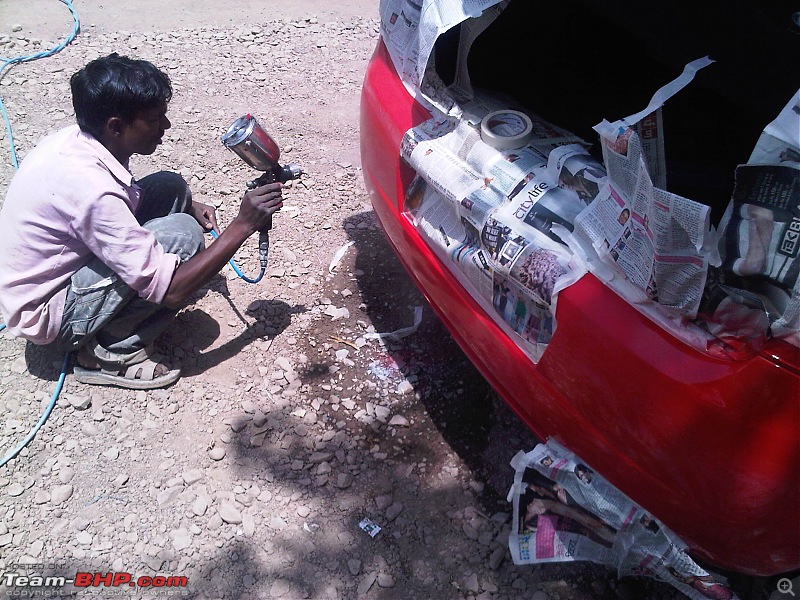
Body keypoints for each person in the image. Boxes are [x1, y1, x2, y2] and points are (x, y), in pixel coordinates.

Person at [0, 53, 283, 389]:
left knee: (170, 187)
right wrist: (243, 225)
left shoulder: (78, 141)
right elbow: (174, 292)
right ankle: (109, 353)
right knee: (184, 236)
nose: (166, 126)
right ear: (116, 126)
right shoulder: (92, 190)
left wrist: (186, 203)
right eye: (155, 118)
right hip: (52, 315)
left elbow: (112, 203)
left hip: (60, 273)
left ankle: (119, 314)